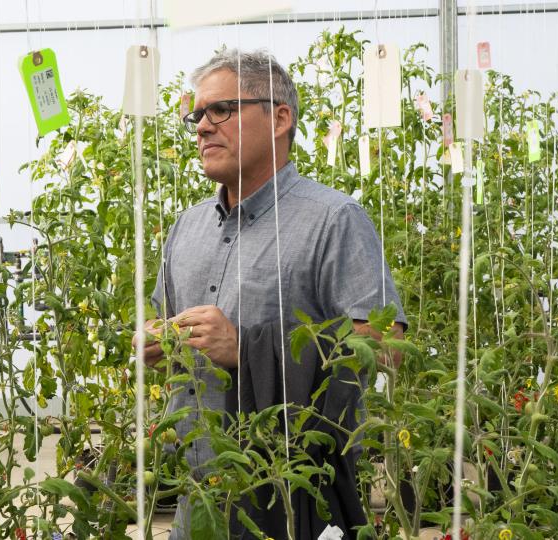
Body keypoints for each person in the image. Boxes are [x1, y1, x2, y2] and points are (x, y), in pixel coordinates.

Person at [139, 50, 408, 539]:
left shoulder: (333, 219)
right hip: (197, 495)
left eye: (221, 110)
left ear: (280, 117)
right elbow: (167, 325)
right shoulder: (187, 228)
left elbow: (385, 346)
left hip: (290, 491)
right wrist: (156, 342)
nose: (202, 127)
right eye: (196, 115)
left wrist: (247, 348)